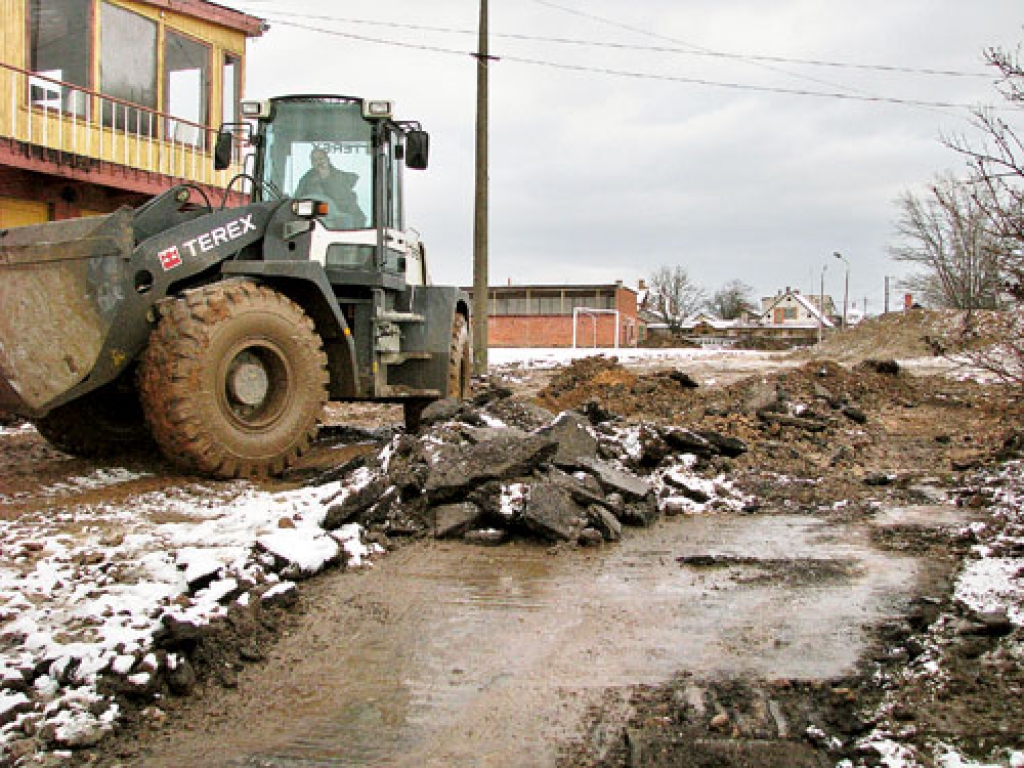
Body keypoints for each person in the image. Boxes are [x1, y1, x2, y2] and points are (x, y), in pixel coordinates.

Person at [294, 147, 366, 229]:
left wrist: (326, 180)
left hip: (341, 223)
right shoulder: (305, 181)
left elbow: (347, 205)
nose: (318, 162)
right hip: (313, 223)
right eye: (314, 160)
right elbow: (297, 202)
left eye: (321, 158)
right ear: (312, 163)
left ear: (328, 159)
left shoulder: (344, 179)